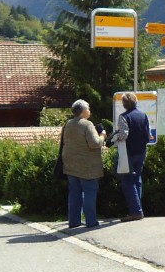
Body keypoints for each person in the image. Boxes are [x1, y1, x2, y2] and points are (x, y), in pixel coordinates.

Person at [61, 99, 107, 229]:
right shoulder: (87, 124)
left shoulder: (68, 124)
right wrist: (102, 136)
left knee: (74, 193)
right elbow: (94, 143)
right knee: (90, 192)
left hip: (70, 164)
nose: (90, 110)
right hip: (87, 166)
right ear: (83, 111)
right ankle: (91, 221)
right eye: (88, 108)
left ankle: (74, 221)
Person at [114, 92, 150, 221]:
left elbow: (124, 134)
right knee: (137, 179)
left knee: (127, 181)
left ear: (124, 104)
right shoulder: (143, 115)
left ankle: (136, 211)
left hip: (128, 152)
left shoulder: (123, 117)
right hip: (141, 151)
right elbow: (147, 136)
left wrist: (115, 137)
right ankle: (137, 208)